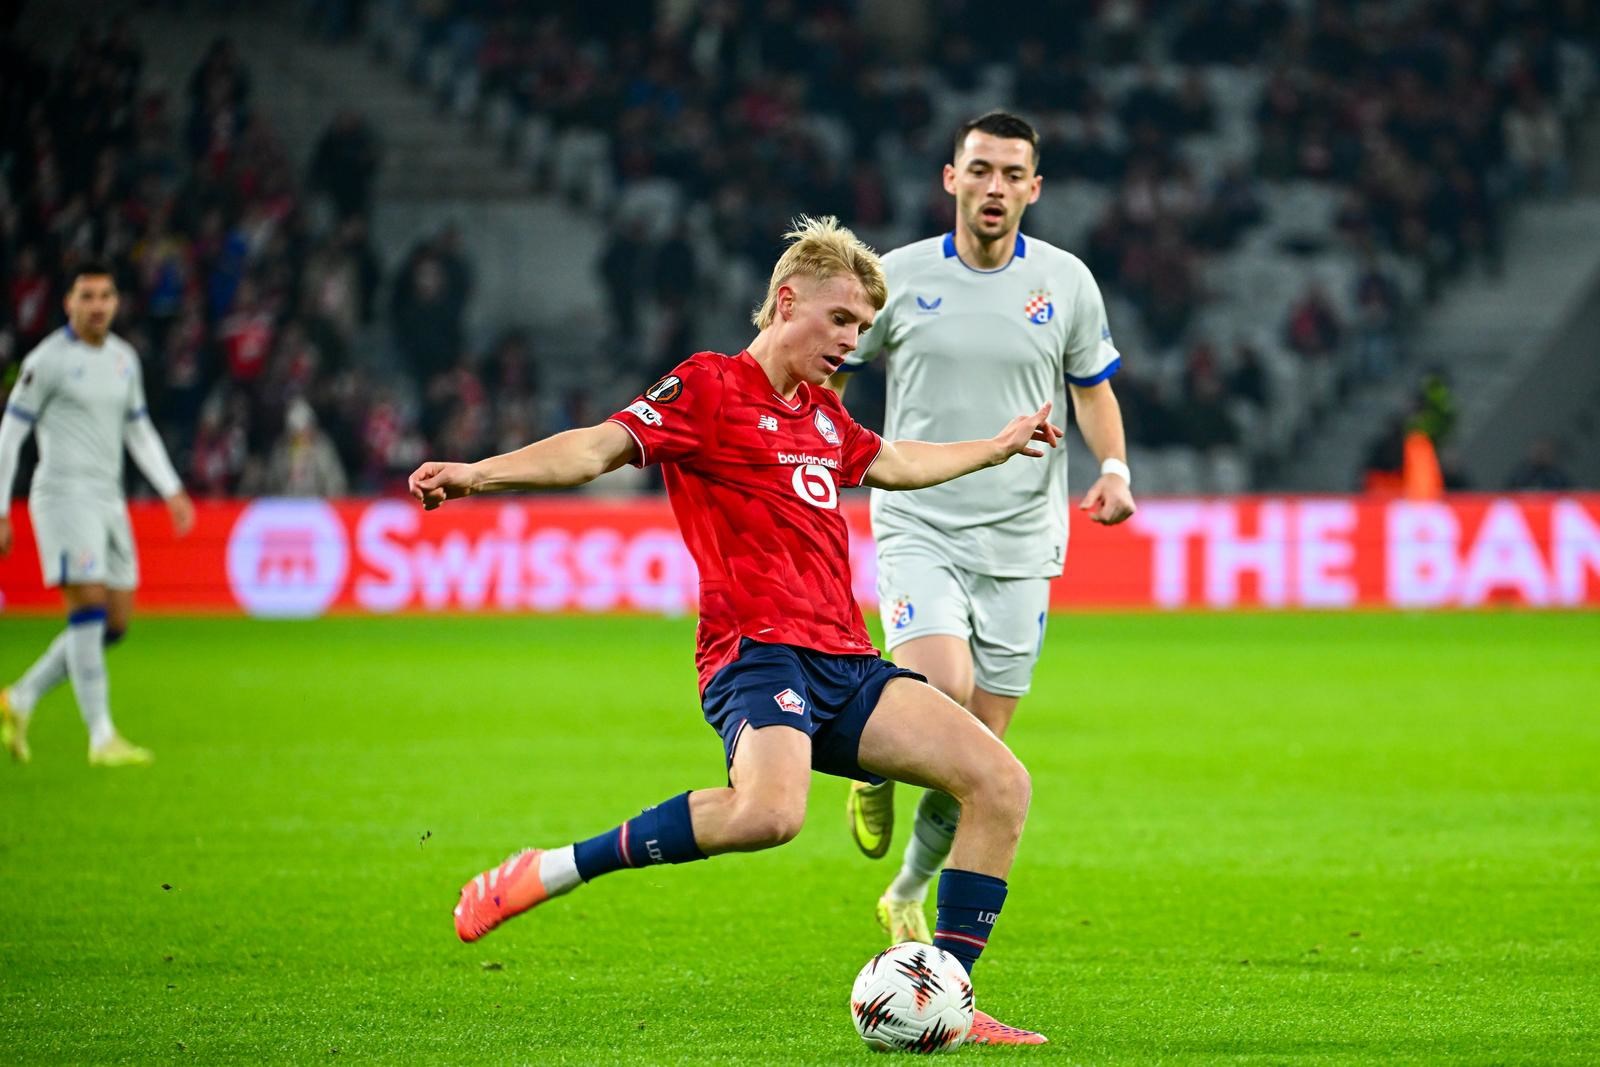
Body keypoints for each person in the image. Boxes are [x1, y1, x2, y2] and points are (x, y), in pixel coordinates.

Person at [409, 217, 1055, 1045]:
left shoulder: (824, 415)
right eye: (840, 319)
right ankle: (553, 868)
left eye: (862, 327)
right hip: (756, 652)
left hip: (847, 661)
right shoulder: (709, 386)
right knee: (768, 815)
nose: (851, 340)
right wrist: (477, 473)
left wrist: (996, 448)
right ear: (786, 303)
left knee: (1001, 782)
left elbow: (898, 463)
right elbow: (596, 449)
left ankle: (950, 994)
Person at [826, 111, 1136, 945]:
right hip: (920, 520)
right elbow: (834, 372)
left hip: (1023, 541)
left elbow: (1093, 386)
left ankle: (905, 892)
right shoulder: (898, 275)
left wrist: (1114, 468)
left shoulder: (1067, 281)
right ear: (951, 178)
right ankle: (871, 762)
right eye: (980, 169)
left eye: (1011, 174)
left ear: (1034, 188)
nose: (994, 187)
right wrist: (817, 449)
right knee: (941, 689)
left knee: (979, 754)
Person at [0, 262, 195, 766]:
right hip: (64, 496)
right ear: (68, 302)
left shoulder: (123, 359)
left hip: (109, 498)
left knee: (115, 620)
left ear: (116, 303)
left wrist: (171, 489)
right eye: (86, 296)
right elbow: (11, 432)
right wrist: (0, 508)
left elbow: (138, 429)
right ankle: (101, 736)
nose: (97, 306)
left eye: (105, 296)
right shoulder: (47, 361)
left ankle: (20, 697)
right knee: (87, 604)